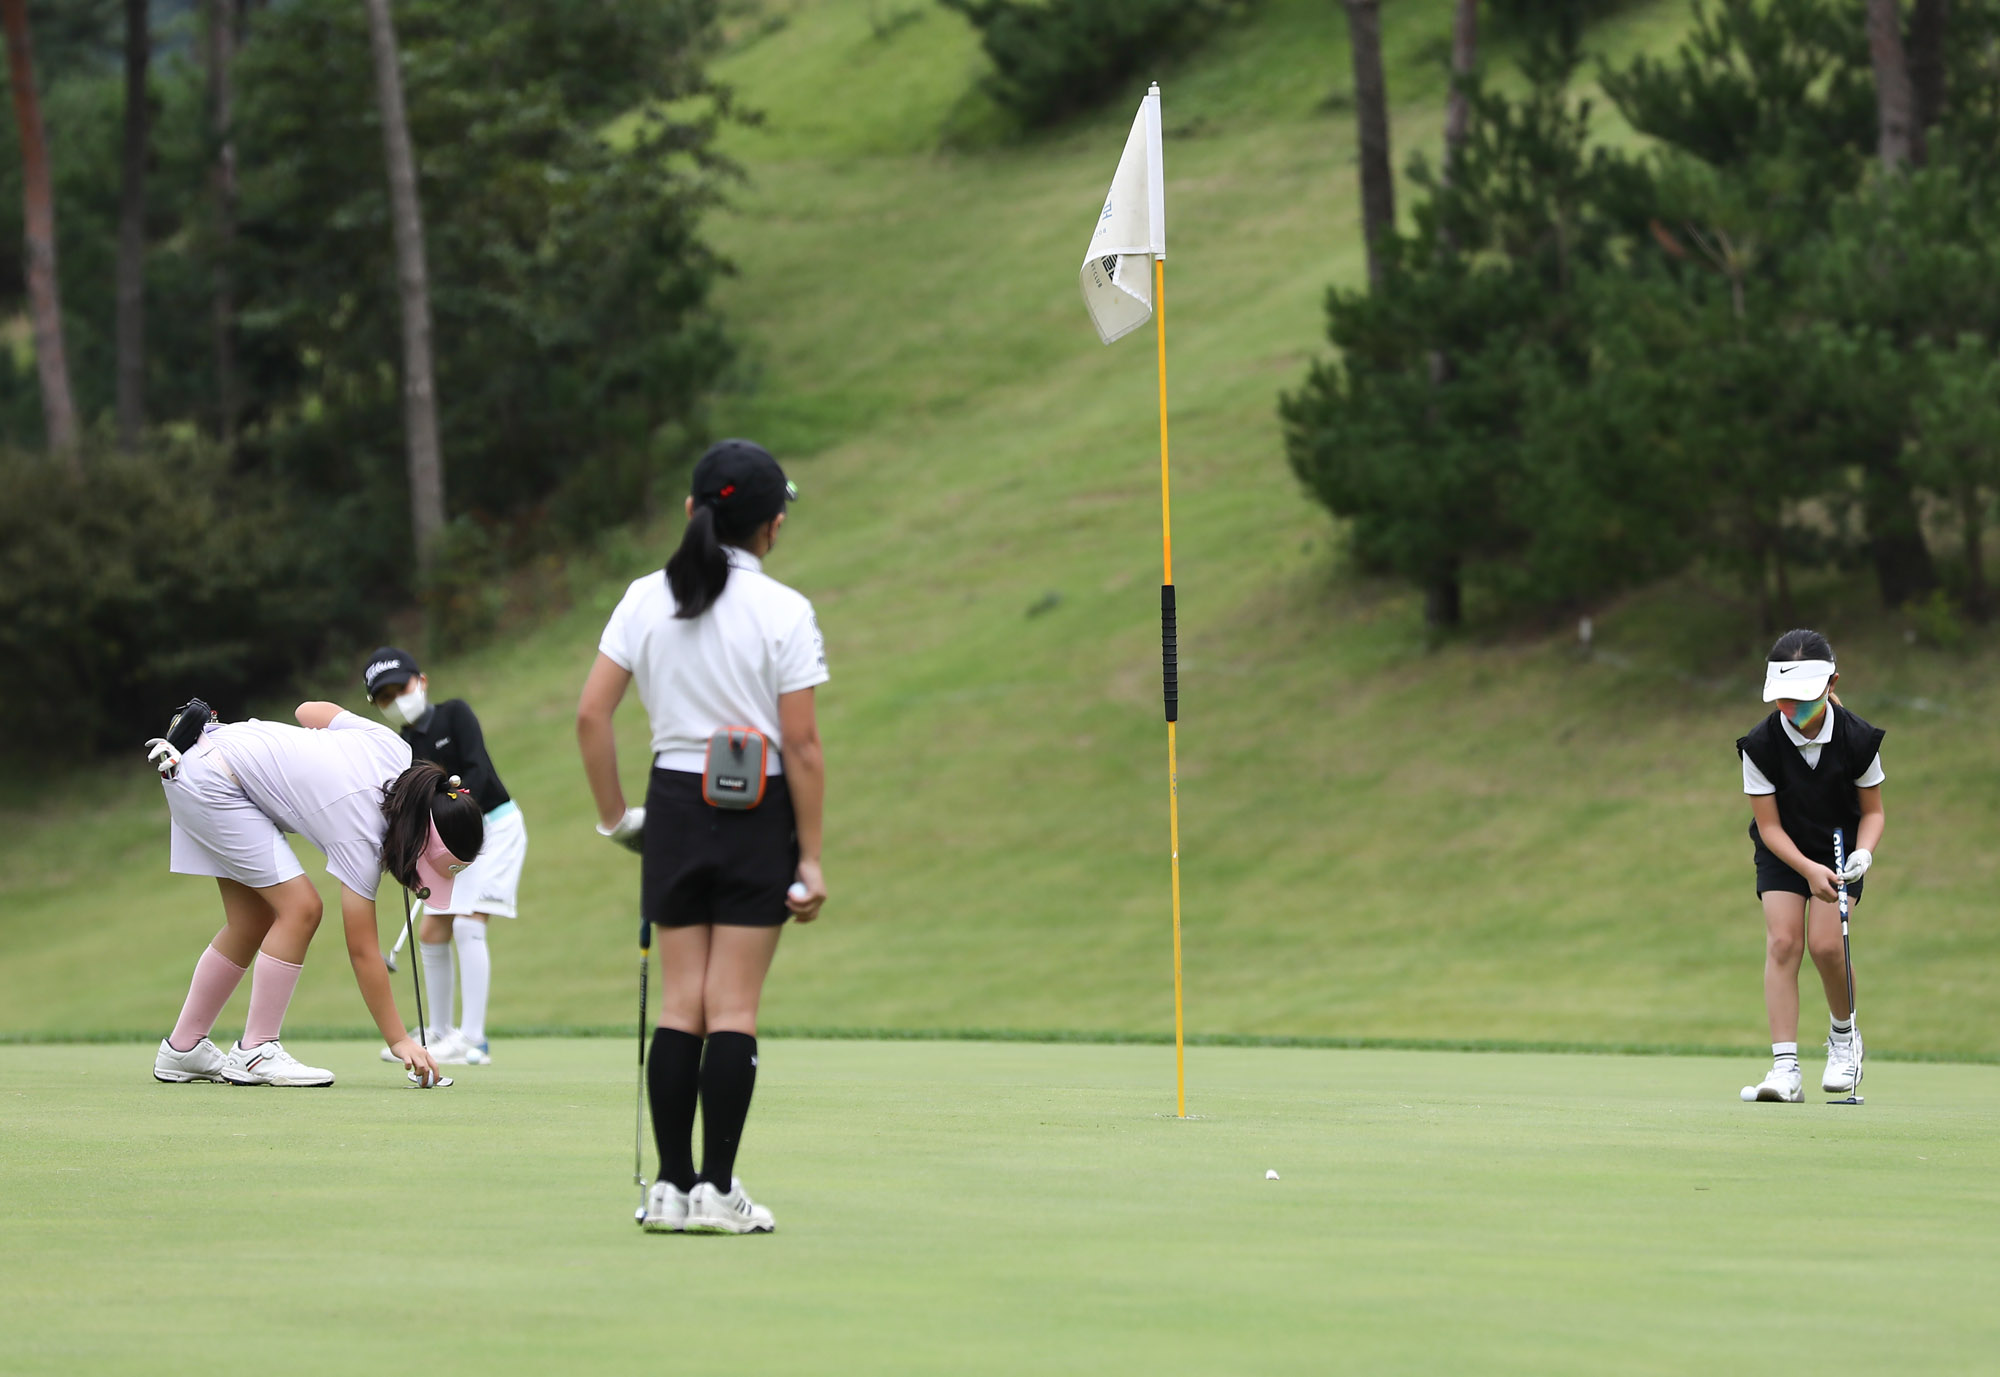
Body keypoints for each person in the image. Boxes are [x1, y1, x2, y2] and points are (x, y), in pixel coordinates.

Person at [577, 439, 828, 1234]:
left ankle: (671, 1189)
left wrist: (618, 818)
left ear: (692, 512)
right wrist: (812, 857)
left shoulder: (642, 598)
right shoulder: (785, 610)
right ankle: (718, 1189)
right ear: (773, 526)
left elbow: (591, 714)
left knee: (681, 1003)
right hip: (759, 806)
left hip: (674, 804)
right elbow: (805, 747)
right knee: (733, 1006)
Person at [147, 700, 482, 1088]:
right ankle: (256, 1050)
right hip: (215, 780)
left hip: (202, 760)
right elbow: (362, 950)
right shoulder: (362, 832)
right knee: (301, 908)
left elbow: (309, 711)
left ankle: (183, 1048)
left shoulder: (394, 748)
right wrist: (399, 1040)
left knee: (251, 920)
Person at [1737, 629, 1884, 1103]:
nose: (1792, 711)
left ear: (1831, 683)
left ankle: (1845, 1042)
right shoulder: (1759, 745)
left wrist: (1865, 853)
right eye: (1783, 701)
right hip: (1784, 850)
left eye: (1802, 700)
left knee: (1825, 946)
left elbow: (1874, 812)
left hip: (1841, 848)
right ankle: (1785, 1070)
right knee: (1783, 942)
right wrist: (1805, 868)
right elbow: (1770, 828)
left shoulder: (1857, 739)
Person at [364, 647, 527, 1066]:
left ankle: (474, 1040)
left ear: (422, 681)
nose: (396, 700)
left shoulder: (455, 714)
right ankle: (440, 1032)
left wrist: (441, 799)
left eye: (401, 687)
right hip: (450, 844)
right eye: (385, 697)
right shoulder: (403, 745)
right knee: (432, 932)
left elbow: (476, 771)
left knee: (470, 926)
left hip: (494, 828)